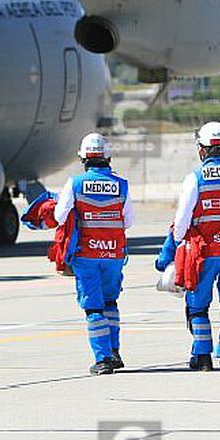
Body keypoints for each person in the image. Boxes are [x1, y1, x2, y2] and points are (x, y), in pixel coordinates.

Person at [157, 122, 220, 374]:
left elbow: (182, 220)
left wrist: (170, 250)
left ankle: (203, 356)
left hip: (204, 253)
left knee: (197, 306)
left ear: (202, 149)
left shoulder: (195, 178)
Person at [54, 133, 134, 376]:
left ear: (83, 158)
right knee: (110, 303)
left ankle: (103, 359)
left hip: (87, 255)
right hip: (114, 254)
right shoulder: (121, 184)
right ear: (107, 157)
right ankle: (115, 351)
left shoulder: (75, 184)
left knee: (93, 308)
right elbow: (128, 221)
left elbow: (59, 216)